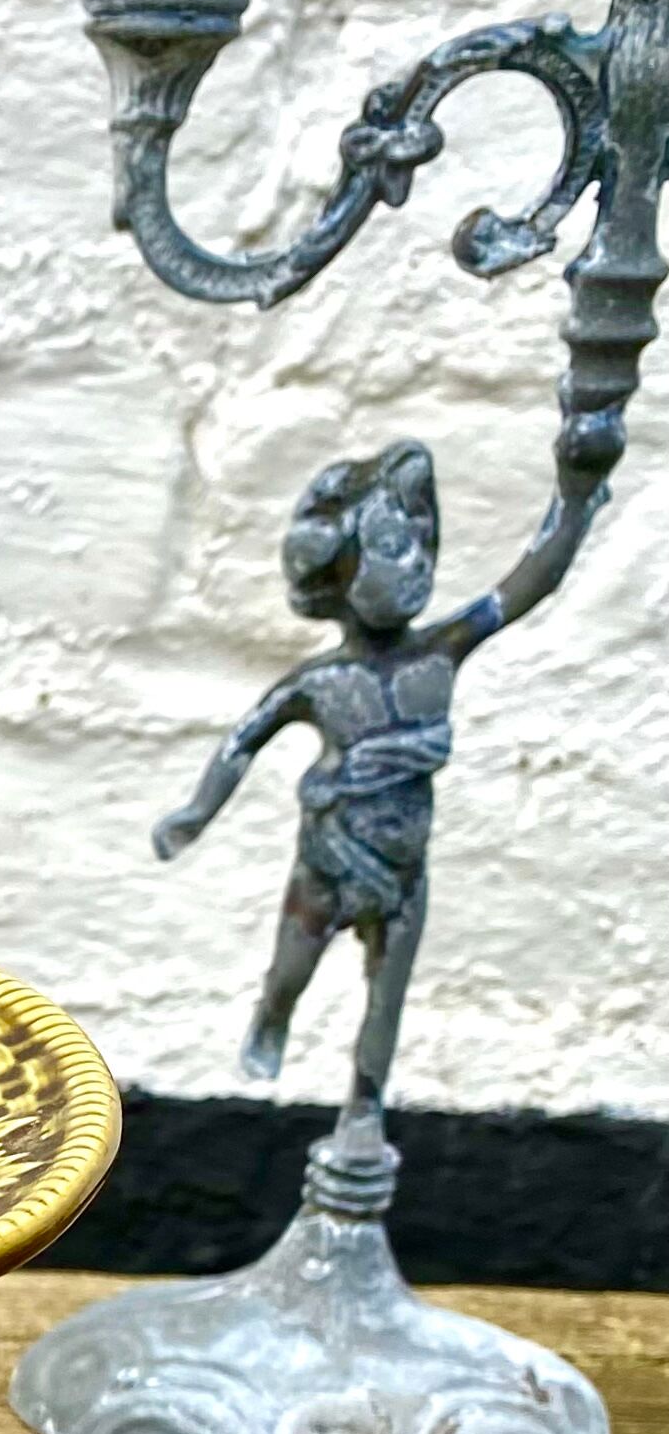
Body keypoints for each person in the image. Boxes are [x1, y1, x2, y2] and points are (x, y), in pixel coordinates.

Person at [151, 438, 591, 1121]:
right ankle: (274, 1012)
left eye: (422, 540)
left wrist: (577, 496)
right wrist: (194, 814)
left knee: (385, 997)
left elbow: (535, 577)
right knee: (291, 969)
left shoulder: (442, 651)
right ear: (334, 580)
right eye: (391, 546)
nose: (415, 562)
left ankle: (365, 1106)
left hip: (402, 873)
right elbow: (244, 741)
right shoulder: (321, 684)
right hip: (326, 863)